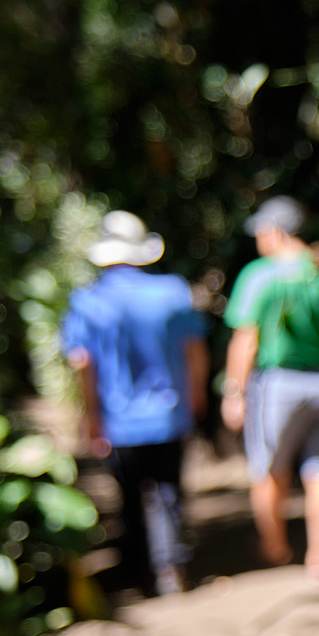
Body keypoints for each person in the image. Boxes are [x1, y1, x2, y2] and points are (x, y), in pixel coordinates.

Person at [63, 210, 208, 595]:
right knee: (168, 491)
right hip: (169, 414)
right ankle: (170, 567)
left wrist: (91, 416)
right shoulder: (172, 293)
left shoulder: (88, 302)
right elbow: (194, 350)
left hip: (119, 421)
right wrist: (195, 396)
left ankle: (139, 572)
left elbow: (83, 364)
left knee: (128, 497)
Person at [221, 196, 319, 579]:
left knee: (270, 469)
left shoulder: (260, 275)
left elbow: (246, 339)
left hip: (278, 384)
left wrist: (234, 392)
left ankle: (275, 546)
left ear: (276, 233)